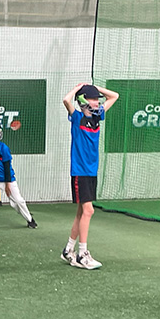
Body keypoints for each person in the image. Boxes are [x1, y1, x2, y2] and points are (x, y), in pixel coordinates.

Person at [60, 82, 119, 269]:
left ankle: (68, 249)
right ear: (84, 101)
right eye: (93, 99)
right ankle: (82, 255)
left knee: (81, 212)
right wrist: (78, 89)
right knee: (89, 211)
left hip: (91, 171)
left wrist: (96, 89)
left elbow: (114, 96)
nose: (97, 102)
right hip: (80, 172)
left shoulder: (98, 116)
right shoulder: (76, 117)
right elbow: (65, 100)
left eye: (97, 100)